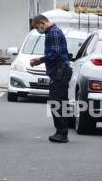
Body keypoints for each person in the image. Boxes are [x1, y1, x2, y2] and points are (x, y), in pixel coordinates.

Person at [30, 14, 72, 143]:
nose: (38, 30)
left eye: (37, 27)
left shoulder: (52, 33)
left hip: (59, 71)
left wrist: (40, 60)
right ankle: (62, 131)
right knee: (62, 101)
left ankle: (61, 132)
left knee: (55, 101)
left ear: (42, 23)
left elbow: (55, 53)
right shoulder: (54, 32)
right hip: (62, 70)